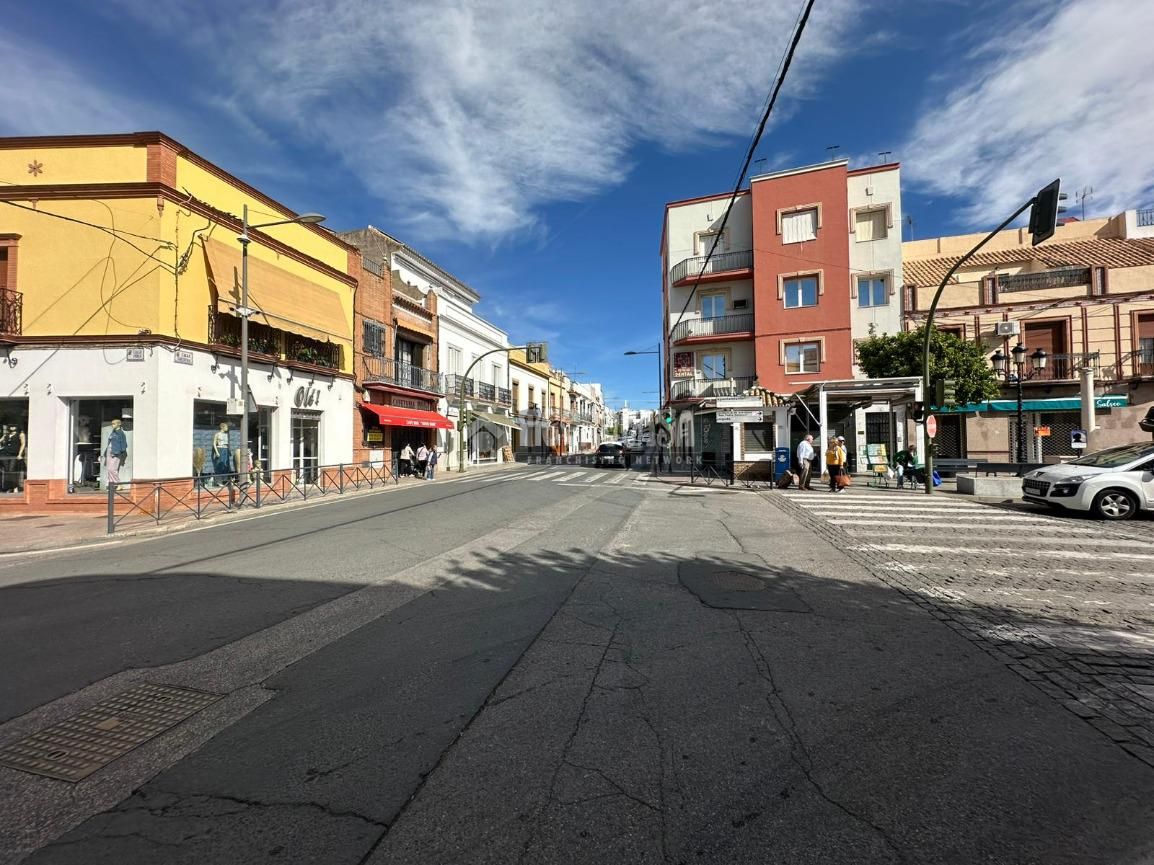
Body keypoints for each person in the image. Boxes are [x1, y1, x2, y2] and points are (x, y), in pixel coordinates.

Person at [104, 418, 128, 487]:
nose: (112, 425)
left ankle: (118, 483)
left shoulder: (121, 433)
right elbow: (110, 442)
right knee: (109, 469)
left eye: (114, 424)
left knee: (113, 469)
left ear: (119, 424)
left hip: (115, 452)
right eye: (112, 424)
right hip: (109, 451)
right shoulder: (113, 432)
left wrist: (120, 452)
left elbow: (124, 444)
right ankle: (111, 484)